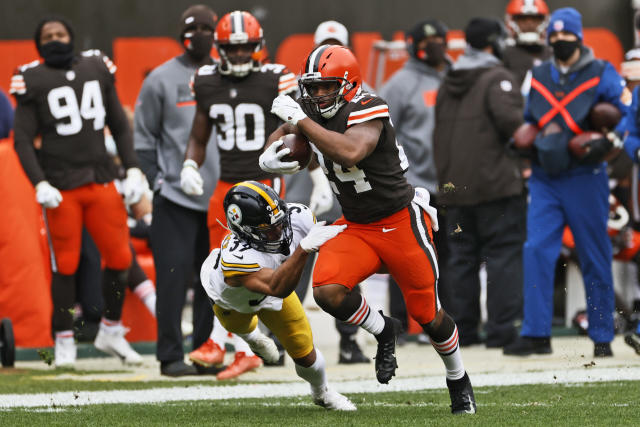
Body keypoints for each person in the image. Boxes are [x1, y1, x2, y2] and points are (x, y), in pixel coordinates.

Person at [262, 44, 476, 414]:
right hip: (357, 225)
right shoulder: (312, 110)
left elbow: (349, 152)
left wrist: (301, 121)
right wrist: (267, 155)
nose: (315, 96)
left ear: (348, 84)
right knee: (327, 292)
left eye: (325, 87)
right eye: (311, 88)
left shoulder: (367, 106)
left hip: (399, 221)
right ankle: (383, 329)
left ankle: (458, 378)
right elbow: (287, 129)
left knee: (428, 315)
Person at [10, 16, 149, 367]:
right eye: (47, 36)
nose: (55, 39)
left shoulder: (96, 66)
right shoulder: (32, 78)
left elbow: (118, 123)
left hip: (102, 178)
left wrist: (131, 167)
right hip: (61, 186)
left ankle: (111, 329)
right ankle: (64, 337)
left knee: (120, 260)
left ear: (71, 36)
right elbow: (23, 139)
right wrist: (39, 181)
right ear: (39, 44)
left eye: (60, 33)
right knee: (66, 266)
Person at [503, 7, 629, 358]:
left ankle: (602, 335)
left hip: (585, 175)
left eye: (565, 35)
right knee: (536, 251)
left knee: (594, 254)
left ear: (578, 36)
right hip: (545, 175)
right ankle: (536, 334)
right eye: (554, 35)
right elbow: (530, 119)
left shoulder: (602, 72)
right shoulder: (539, 73)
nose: (559, 40)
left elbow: (624, 114)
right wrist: (521, 143)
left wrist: (611, 142)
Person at [182, 10, 299, 378]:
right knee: (223, 263)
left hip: (264, 185)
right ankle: (228, 342)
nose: (238, 55)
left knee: (259, 268)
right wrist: (189, 165)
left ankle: (237, 341)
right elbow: (199, 137)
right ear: (218, 49)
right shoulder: (205, 80)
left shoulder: (275, 79)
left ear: (258, 46)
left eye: (245, 47)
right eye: (231, 49)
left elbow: (297, 133)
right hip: (227, 186)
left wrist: (320, 180)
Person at [200, 181, 355, 409]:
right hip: (233, 303)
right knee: (243, 327)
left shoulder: (297, 216)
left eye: (280, 223)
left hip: (274, 283)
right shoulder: (235, 259)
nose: (280, 231)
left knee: (303, 346)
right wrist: (303, 250)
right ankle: (253, 339)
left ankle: (322, 392)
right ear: (245, 231)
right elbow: (278, 288)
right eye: (269, 229)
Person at [134, 5, 220, 377]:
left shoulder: (225, 77)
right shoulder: (160, 79)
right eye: (194, 28)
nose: (200, 34)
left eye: (207, 28)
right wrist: (159, 180)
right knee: (172, 277)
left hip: (221, 197)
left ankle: (204, 352)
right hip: (175, 197)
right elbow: (143, 138)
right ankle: (170, 356)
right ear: (181, 33)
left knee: (212, 280)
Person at [433, 18, 526, 349]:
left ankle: (465, 332)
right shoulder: (498, 78)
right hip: (496, 187)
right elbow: (516, 129)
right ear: (493, 43)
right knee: (503, 256)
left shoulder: (448, 81)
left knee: (461, 260)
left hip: (455, 188)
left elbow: (438, 138)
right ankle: (502, 331)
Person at [284, 19, 369, 364]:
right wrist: (315, 177)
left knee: (345, 270)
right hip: (306, 194)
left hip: (346, 192)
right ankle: (286, 341)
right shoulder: (301, 91)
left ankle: (350, 340)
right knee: (296, 264)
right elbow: (287, 135)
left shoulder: (363, 94)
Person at [379, 18, 450, 344]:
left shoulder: (453, 78)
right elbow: (380, 135)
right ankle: (405, 326)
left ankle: (442, 323)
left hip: (450, 185)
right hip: (414, 185)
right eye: (428, 42)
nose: (435, 47)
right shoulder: (399, 84)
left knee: (447, 258)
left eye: (440, 40)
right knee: (407, 257)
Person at [503, 0, 552, 89]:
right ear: (512, 21)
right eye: (523, 19)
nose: (529, 23)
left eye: (535, 19)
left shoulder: (552, 54)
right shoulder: (503, 54)